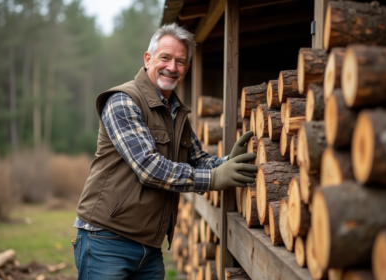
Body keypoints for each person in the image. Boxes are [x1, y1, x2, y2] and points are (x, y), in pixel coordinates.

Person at [72, 22, 258, 280]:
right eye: (166, 58)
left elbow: (198, 160)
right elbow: (149, 168)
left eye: (180, 62)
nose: (172, 67)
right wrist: (214, 178)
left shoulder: (176, 113)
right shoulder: (123, 101)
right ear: (148, 59)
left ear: (187, 69)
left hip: (150, 247)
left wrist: (229, 162)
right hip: (106, 240)